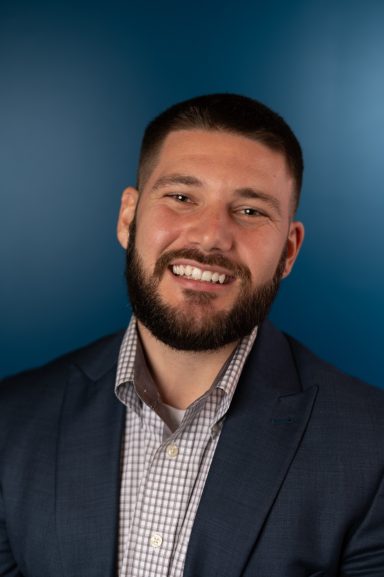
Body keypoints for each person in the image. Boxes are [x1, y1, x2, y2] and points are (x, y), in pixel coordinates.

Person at [1, 94, 383, 577]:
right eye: (181, 198)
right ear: (128, 218)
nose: (209, 237)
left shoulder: (372, 451)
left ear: (288, 251)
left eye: (249, 211)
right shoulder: (11, 424)